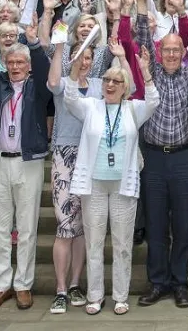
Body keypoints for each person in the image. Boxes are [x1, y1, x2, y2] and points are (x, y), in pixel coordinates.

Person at [133, 0, 188, 309]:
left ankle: (180, 282)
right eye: (168, 50)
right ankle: (158, 282)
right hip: (152, 158)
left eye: (178, 49)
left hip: (184, 158)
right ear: (160, 51)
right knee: (156, 222)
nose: (173, 54)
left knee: (182, 221)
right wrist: (138, 2)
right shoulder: (152, 70)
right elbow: (140, 38)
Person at [63, 50, 160, 315]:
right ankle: (95, 296)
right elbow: (70, 96)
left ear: (125, 86)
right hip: (93, 184)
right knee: (94, 242)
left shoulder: (133, 109)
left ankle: (120, 295)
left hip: (123, 185)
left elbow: (154, 99)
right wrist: (74, 68)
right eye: (106, 79)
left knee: (122, 243)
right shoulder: (91, 106)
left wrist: (145, 69)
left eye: (116, 81)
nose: (109, 84)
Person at [0, 3, 52, 312]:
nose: (17, 66)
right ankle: (1, 284)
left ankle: (23, 284)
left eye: (22, 62)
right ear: (5, 64)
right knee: (2, 225)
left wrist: (34, 43)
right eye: (12, 62)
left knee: (28, 226)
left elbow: (46, 70)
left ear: (28, 65)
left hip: (29, 161)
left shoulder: (38, 89)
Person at [44, 39, 99, 314]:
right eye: (79, 57)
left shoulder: (101, 85)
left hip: (93, 156)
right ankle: (61, 289)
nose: (84, 62)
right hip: (65, 155)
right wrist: (60, 48)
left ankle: (76, 284)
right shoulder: (64, 83)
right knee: (65, 224)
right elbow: (52, 81)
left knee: (84, 226)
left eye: (88, 57)